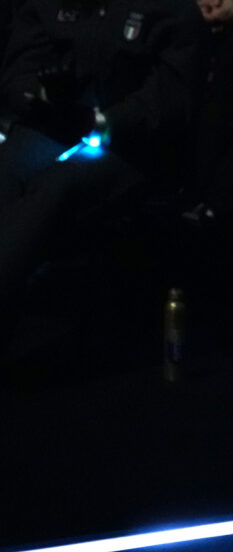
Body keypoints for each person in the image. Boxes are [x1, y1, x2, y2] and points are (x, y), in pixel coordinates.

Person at [0, 0, 205, 330]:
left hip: (131, 143)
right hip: (54, 123)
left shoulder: (169, 9)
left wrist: (102, 123)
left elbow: (173, 99)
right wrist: (42, 95)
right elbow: (19, 70)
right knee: (6, 171)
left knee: (53, 192)